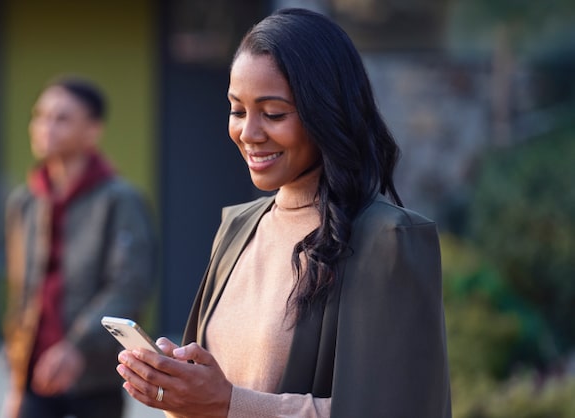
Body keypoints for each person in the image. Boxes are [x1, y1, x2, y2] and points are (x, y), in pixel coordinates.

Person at [115, 8, 450, 418]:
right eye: (237, 110)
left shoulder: (387, 239)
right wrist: (177, 390)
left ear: (326, 112)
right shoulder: (237, 227)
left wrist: (227, 402)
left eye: (273, 113)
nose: (249, 134)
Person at [3, 76, 156, 418]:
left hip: (94, 375)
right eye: (40, 116)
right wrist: (15, 380)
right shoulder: (25, 202)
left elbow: (129, 286)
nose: (45, 126)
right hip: (35, 373)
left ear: (92, 131)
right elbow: (22, 294)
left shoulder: (121, 201)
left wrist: (77, 347)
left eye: (62, 118)